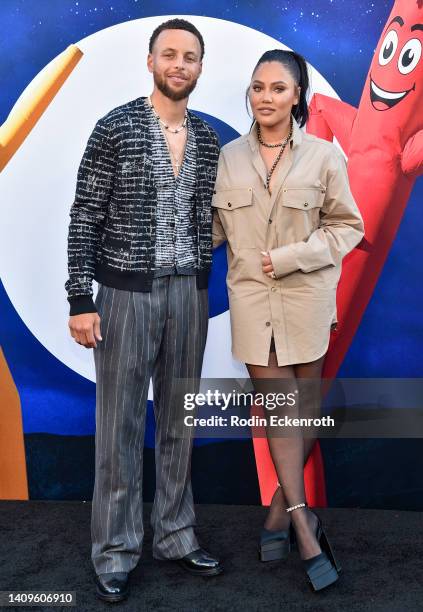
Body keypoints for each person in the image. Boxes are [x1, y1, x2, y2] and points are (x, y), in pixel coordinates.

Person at [65, 18, 223, 603]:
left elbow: (214, 219)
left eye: (190, 57)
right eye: (170, 55)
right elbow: (85, 214)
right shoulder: (117, 127)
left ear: (200, 68)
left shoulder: (207, 139)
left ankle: (176, 536)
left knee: (180, 419)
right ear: (151, 61)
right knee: (120, 425)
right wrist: (81, 298)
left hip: (190, 295)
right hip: (124, 296)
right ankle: (115, 550)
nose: (179, 65)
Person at [212, 49, 364, 592]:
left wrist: (296, 255)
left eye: (277, 88)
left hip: (308, 301)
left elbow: (348, 227)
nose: (265, 97)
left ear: (297, 95)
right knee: (279, 412)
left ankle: (277, 509)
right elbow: (209, 232)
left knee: (307, 410)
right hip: (253, 304)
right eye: (257, 87)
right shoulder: (226, 158)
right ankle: (304, 523)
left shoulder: (324, 156)